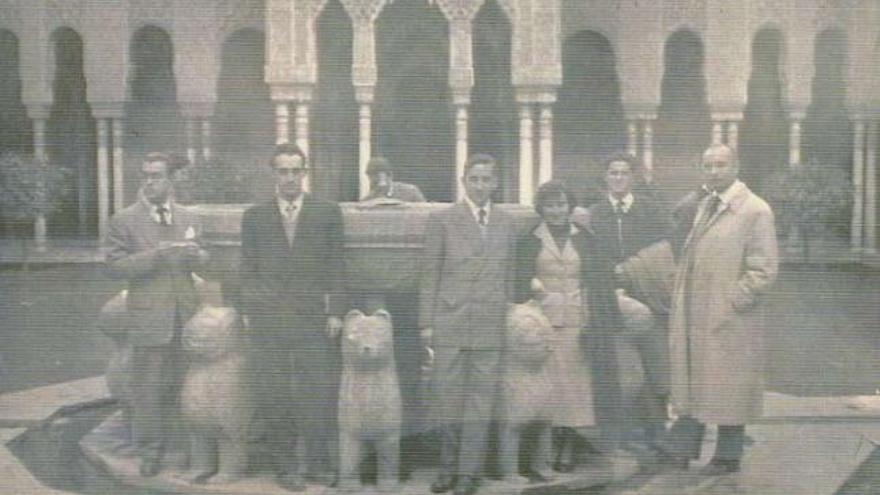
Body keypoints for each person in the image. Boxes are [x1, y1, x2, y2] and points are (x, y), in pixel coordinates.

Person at [659, 143, 778, 475]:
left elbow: (763, 270)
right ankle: (682, 450)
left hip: (729, 317)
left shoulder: (755, 210)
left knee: (730, 387)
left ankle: (727, 456)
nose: (713, 172)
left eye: (720, 165)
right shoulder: (706, 205)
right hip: (697, 313)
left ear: (736, 167)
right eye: (707, 166)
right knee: (697, 383)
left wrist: (732, 302)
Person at [239, 143, 347, 491]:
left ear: (304, 173)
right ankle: (285, 466)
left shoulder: (326, 212)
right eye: (282, 171)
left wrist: (336, 311)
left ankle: (317, 462)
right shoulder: (255, 217)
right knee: (275, 393)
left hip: (311, 318)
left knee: (316, 391)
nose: (289, 178)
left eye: (295, 171)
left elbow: (337, 265)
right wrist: (251, 310)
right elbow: (248, 269)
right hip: (268, 320)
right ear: (274, 174)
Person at [105, 151, 209, 477]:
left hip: (185, 315)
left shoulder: (188, 217)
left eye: (157, 176)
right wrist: (155, 255)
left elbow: (205, 259)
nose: (150, 182)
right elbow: (115, 266)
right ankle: (150, 451)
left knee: (184, 383)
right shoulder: (124, 219)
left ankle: (183, 446)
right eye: (146, 176)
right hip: (149, 317)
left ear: (170, 179)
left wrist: (199, 255)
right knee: (148, 387)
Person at [419, 154, 516, 495]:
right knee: (448, 400)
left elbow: (509, 274)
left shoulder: (506, 222)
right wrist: (426, 325)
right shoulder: (442, 220)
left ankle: (468, 473)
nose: (480, 185)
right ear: (464, 181)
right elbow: (429, 274)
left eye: (486, 179)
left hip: (490, 324)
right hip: (451, 322)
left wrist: (507, 314)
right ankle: (447, 469)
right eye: (474, 179)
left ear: (495, 183)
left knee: (481, 400)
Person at [514, 180, 623, 473]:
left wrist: (593, 315)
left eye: (561, 204)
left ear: (569, 206)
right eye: (550, 205)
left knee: (576, 388)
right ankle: (546, 446)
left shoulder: (585, 238)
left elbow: (599, 279)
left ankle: (569, 444)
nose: (556, 211)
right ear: (542, 208)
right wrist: (532, 284)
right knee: (550, 387)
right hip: (544, 322)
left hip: (578, 321)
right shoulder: (530, 239)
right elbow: (518, 275)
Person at [586, 152, 674, 460]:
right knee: (625, 367)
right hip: (613, 300)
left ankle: (658, 433)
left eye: (624, 173)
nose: (619, 178)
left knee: (656, 366)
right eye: (613, 173)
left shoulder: (651, 211)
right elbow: (589, 255)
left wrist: (634, 269)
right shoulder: (594, 215)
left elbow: (668, 248)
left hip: (650, 296)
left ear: (633, 177)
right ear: (605, 178)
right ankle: (628, 434)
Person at [361, 156, 426, 202]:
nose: (380, 185)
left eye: (381, 179)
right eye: (374, 182)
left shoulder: (410, 192)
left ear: (390, 176)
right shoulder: (368, 201)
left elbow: (425, 212)